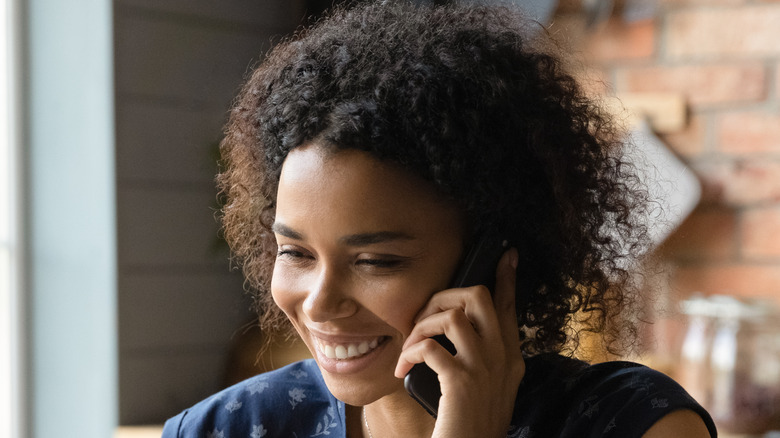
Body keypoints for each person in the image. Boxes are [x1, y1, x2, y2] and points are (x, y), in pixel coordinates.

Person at [162, 2, 717, 437]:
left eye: (376, 261)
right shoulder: (223, 429)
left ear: (492, 260)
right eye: (297, 253)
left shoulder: (637, 424)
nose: (319, 302)